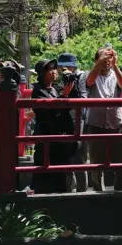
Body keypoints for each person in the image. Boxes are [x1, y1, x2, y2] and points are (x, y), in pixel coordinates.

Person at [86, 47, 122, 191]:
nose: (106, 61)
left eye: (109, 57)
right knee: (96, 163)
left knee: (120, 161)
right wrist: (98, 64)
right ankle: (98, 191)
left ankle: (121, 191)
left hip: (116, 123)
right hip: (96, 123)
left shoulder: (116, 74)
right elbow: (89, 82)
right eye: (103, 57)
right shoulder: (92, 74)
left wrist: (115, 65)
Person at [31, 58, 76, 194]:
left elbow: (75, 99)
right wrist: (64, 96)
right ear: (42, 73)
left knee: (60, 171)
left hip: (60, 135)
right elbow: (46, 111)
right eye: (50, 69)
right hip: (46, 135)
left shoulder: (57, 88)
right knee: (43, 170)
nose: (54, 72)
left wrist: (71, 84)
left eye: (54, 68)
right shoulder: (37, 90)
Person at [57, 52, 89, 193]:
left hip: (78, 117)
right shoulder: (59, 79)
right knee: (66, 156)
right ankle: (68, 189)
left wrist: (72, 84)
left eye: (66, 67)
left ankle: (82, 190)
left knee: (78, 156)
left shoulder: (80, 76)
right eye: (61, 68)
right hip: (64, 118)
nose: (63, 70)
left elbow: (83, 97)